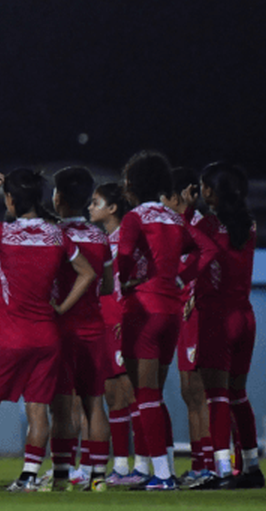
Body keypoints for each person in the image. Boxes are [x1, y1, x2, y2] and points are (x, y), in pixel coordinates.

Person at [0, 170, 97, 493]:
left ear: (10, 200)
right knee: (37, 409)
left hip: (8, 337)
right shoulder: (56, 235)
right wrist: (62, 307)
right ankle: (29, 478)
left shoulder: (2, 233)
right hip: (46, 336)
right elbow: (87, 273)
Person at [115, 151, 217, 490]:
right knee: (153, 395)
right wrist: (179, 278)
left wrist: (126, 281)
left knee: (144, 395)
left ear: (132, 185)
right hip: (171, 313)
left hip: (142, 310)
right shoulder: (174, 219)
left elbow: (124, 257)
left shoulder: (134, 218)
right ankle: (158, 469)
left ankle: (161, 474)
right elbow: (208, 250)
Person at [196, 162, 264, 489]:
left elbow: (184, 247)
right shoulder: (249, 225)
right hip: (245, 317)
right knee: (238, 395)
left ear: (211, 191)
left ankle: (221, 469)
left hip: (217, 318)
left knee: (216, 397)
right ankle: (251, 466)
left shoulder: (207, 225)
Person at [47, 167, 112, 490]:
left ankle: (61, 476)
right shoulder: (100, 237)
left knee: (61, 407)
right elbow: (108, 286)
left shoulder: (54, 235)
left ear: (58, 197)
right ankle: (98, 476)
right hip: (94, 328)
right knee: (94, 403)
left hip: (62, 328)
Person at [87, 183, 145, 485]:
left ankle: (144, 464)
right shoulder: (103, 240)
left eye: (96, 202)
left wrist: (127, 314)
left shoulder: (128, 238)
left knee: (133, 392)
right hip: (105, 322)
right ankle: (121, 465)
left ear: (112, 208)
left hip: (122, 321)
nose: (90, 207)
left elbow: (140, 277)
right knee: (113, 395)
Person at [162, 167, 215, 486]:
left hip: (195, 313)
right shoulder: (174, 224)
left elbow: (210, 257)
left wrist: (189, 286)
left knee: (199, 392)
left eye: (165, 194)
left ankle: (210, 464)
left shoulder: (198, 223)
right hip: (179, 313)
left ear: (181, 194)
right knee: (188, 392)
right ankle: (199, 464)